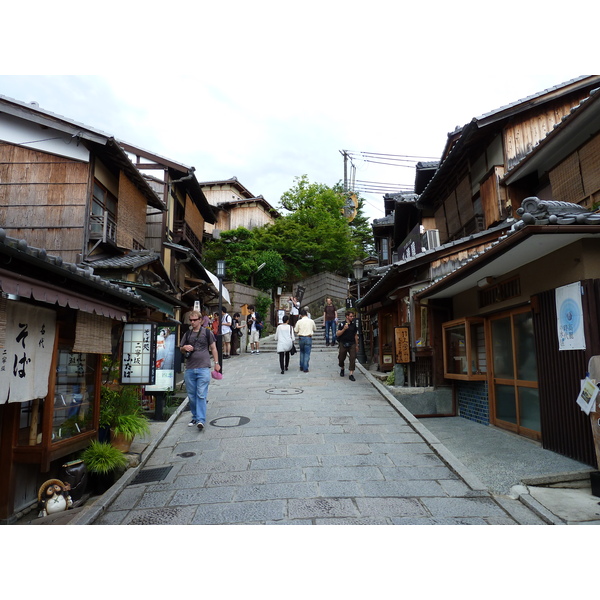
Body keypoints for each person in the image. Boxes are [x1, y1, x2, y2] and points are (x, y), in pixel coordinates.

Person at [180, 310, 220, 430]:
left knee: (201, 394)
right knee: (192, 396)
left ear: (200, 320)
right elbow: (181, 348)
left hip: (203, 367)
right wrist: (184, 348)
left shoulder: (207, 333)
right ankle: (195, 416)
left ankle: (200, 420)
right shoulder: (187, 334)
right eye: (191, 320)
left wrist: (216, 363)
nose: (192, 322)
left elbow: (213, 348)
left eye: (195, 320)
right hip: (190, 368)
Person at [336, 310, 359, 381]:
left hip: (352, 343)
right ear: (347, 316)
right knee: (341, 358)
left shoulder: (353, 325)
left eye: (353, 316)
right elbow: (338, 334)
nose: (352, 317)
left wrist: (357, 345)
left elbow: (355, 335)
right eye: (351, 316)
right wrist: (344, 329)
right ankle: (342, 368)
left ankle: (351, 373)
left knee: (353, 357)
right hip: (343, 343)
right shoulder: (342, 324)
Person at [294, 308, 317, 373]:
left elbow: (295, 330)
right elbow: (315, 329)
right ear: (307, 314)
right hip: (308, 337)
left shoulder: (299, 322)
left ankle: (301, 366)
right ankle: (305, 367)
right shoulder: (311, 321)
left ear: (301, 315)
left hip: (301, 337)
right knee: (307, 353)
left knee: (302, 352)